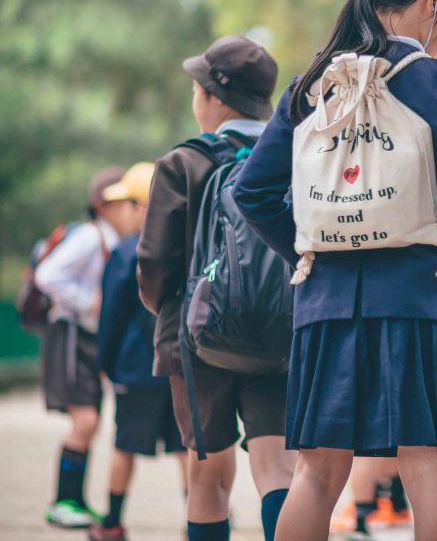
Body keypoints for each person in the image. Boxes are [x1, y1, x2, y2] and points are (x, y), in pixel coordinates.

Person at [233, 0, 437, 541]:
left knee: (317, 473)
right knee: (427, 464)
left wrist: (310, 254)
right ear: (433, 2)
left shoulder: (308, 89)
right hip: (419, 301)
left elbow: (251, 192)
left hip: (325, 307)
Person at [137, 35, 295, 541]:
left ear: (213, 96)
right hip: (280, 334)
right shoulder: (294, 156)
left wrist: (171, 311)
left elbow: (155, 266)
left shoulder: (183, 163)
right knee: (278, 466)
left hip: (196, 339)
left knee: (208, 477)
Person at [90, 162, 188, 541]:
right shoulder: (185, 244)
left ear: (144, 205)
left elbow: (111, 314)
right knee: (186, 447)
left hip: (135, 366)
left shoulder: (127, 250)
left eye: (129, 202)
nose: (123, 212)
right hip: (179, 364)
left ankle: (112, 522)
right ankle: (197, 520)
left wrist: (104, 362)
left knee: (124, 445)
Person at [35, 166, 133, 528]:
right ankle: (63, 501)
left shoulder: (109, 240)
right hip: (71, 334)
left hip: (87, 338)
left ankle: (73, 500)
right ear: (104, 206)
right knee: (86, 419)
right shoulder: (91, 237)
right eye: (124, 202)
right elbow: (48, 275)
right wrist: (87, 301)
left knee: (89, 420)